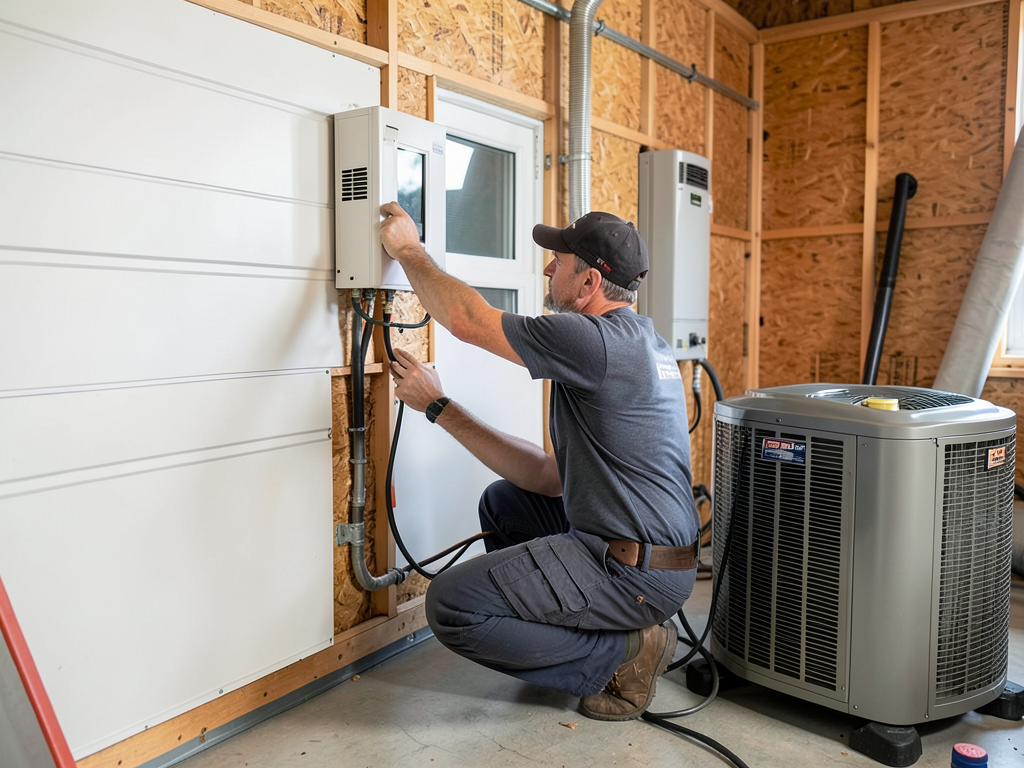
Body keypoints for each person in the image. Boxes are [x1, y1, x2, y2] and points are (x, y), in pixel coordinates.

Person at [379, 201, 700, 721]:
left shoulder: (593, 341)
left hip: (634, 570)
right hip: (644, 553)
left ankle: (622, 653)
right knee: (507, 502)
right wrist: (438, 407)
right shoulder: (638, 341)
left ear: (590, 281)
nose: (548, 269)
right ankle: (581, 633)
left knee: (452, 605)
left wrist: (408, 249)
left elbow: (466, 321)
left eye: (560, 261)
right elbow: (548, 478)